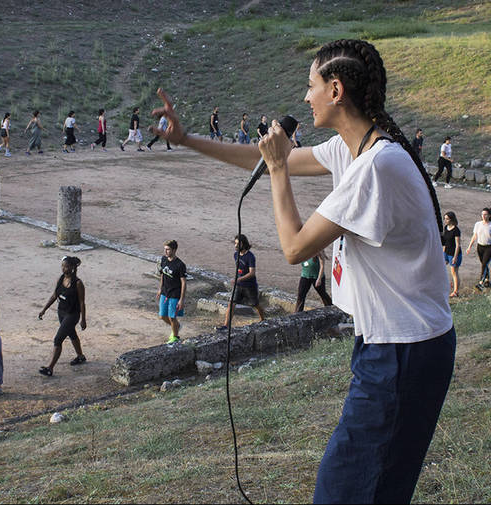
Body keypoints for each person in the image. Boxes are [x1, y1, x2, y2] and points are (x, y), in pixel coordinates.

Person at [151, 38, 456, 503]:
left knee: (342, 490)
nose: (305, 96)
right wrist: (188, 140)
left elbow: (294, 247)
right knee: (371, 488)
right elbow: (268, 159)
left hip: (404, 350)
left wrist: (276, 170)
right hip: (398, 345)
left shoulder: (376, 166)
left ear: (336, 90)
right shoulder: (355, 148)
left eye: (310, 85)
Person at [38, 256, 87, 375]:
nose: (64, 269)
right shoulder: (60, 279)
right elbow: (54, 296)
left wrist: (83, 319)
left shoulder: (78, 283)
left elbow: (82, 302)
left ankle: (50, 368)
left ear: (73, 267)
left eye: (66, 266)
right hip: (61, 312)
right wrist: (44, 309)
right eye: (62, 266)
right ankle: (80, 356)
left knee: (58, 339)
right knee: (72, 334)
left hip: (72, 314)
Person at [218, 234, 265, 330]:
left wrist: (239, 279)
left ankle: (263, 319)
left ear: (243, 244)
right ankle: (226, 325)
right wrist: (237, 279)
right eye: (235, 243)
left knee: (255, 304)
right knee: (231, 304)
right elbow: (239, 269)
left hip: (249, 286)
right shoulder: (235, 255)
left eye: (237, 244)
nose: (235, 246)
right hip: (238, 285)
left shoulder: (250, 257)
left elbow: (252, 273)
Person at [156, 240, 186, 344]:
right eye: (165, 249)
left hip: (175, 294)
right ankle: (177, 327)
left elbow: (183, 282)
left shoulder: (180, 265)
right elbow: (162, 275)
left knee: (172, 317)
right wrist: (160, 289)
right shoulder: (163, 259)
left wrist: (181, 299)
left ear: (174, 250)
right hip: (165, 292)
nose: (165, 251)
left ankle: (175, 337)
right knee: (162, 316)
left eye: (168, 249)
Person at [465, 208, 491, 291]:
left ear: (489, 215)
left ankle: (481, 283)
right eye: (482, 214)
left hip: (489, 248)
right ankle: (487, 280)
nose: (483, 216)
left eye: (485, 214)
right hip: (480, 247)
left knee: (484, 264)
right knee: (484, 264)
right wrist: (469, 247)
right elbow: (474, 236)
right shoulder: (478, 224)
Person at [441, 211, 461, 297]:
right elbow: (445, 242)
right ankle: (447, 285)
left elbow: (457, 245)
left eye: (447, 219)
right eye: (445, 218)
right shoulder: (446, 228)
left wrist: (455, 257)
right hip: (446, 252)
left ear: (452, 219)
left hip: (454, 253)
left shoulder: (456, 230)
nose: (445, 220)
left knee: (454, 272)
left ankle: (456, 291)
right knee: (441, 268)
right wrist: (443, 253)